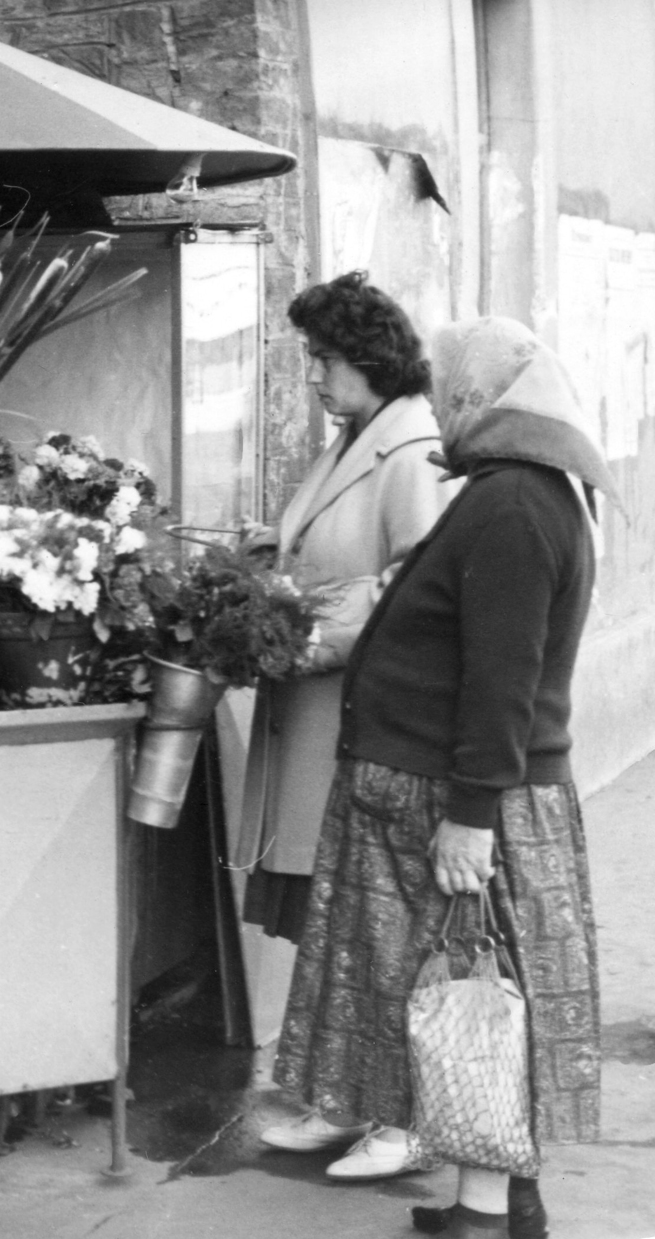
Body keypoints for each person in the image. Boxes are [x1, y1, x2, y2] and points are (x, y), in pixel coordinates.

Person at [270, 317, 609, 1239]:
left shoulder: (511, 505)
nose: (440, 399)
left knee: (472, 1003)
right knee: (475, 996)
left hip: (456, 800)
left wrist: (470, 817)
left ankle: (485, 1218)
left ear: (481, 398)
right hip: (446, 791)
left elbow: (502, 678)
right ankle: (504, 1197)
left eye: (452, 386)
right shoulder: (517, 492)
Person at [245, 273, 459, 1181]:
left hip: (364, 717)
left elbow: (414, 583)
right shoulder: (358, 439)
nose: (314, 378)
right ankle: (346, 1096)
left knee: (380, 921)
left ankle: (407, 1117)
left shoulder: (411, 450)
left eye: (321, 360)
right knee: (337, 922)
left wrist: (313, 634)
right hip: (321, 712)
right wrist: (274, 553)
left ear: (365, 360)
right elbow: (335, 549)